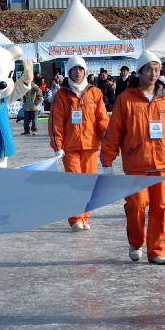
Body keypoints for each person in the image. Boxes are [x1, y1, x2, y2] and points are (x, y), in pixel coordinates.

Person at [100, 50, 165, 265]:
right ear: (139, 72)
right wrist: (107, 161)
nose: (153, 73)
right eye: (149, 69)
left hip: (163, 163)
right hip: (137, 164)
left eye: (157, 69)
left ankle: (158, 250)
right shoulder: (125, 100)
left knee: (161, 207)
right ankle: (137, 241)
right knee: (136, 205)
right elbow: (114, 132)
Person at [49, 56, 109, 230]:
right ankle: (75, 218)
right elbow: (56, 122)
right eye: (74, 69)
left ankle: (84, 217)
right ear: (69, 71)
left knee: (88, 183)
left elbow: (102, 119)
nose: (78, 72)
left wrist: (108, 140)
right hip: (70, 147)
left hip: (91, 146)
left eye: (81, 69)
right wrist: (58, 145)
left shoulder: (95, 93)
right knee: (75, 182)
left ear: (85, 71)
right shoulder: (61, 94)